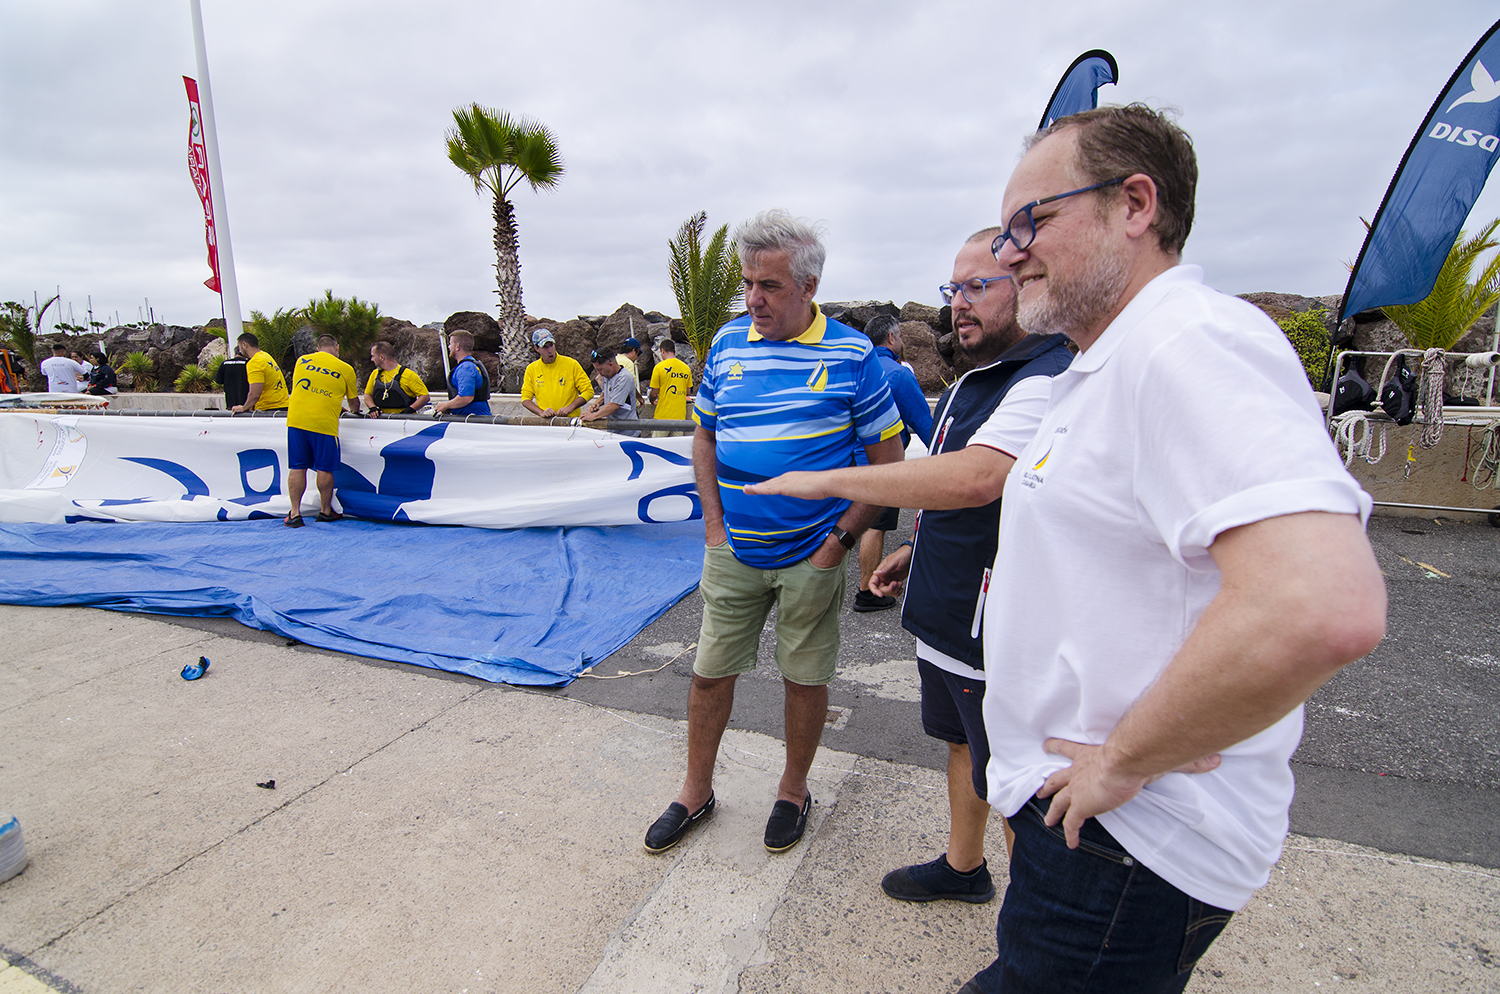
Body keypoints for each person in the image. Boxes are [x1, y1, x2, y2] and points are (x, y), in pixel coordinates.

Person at [762, 104, 1390, 993]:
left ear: (1136, 205)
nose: (1011, 252)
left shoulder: (1188, 342)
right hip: (1089, 826)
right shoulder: (1106, 361)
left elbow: (1319, 603)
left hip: (1127, 842)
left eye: (1034, 222)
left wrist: (1129, 758)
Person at [642, 209, 906, 857]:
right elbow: (704, 435)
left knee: (804, 678)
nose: (754, 299)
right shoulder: (730, 344)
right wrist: (712, 525)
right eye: (748, 284)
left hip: (813, 556)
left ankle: (792, 790)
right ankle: (695, 791)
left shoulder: (854, 356)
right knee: (708, 674)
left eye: (771, 286)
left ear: (810, 287)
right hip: (733, 550)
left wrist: (836, 546)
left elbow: (889, 466)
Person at [851, 314, 933, 612]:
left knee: (845, 523)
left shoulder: (854, 370)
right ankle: (867, 593)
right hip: (880, 466)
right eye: (900, 336)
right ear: (891, 338)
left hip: (844, 464)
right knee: (875, 525)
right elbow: (925, 424)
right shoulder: (898, 375)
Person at [284, 334, 360, 527]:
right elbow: (353, 402)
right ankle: (325, 511)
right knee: (324, 468)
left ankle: (294, 514)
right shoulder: (345, 368)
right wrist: (353, 411)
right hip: (324, 423)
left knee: (297, 466)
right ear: (337, 348)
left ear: (318, 349)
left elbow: (306, 388)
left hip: (297, 420)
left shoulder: (302, 361)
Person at [520, 328, 592, 418]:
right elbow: (525, 399)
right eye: (545, 347)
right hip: (546, 423)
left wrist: (570, 407)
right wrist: (541, 412)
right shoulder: (531, 369)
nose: (550, 350)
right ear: (537, 348)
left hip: (569, 421)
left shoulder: (571, 364)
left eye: (551, 345)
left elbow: (588, 391)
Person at [581, 347, 640, 436]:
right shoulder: (606, 376)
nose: (598, 373)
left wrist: (594, 416)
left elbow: (615, 405)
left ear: (610, 364)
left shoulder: (624, 377)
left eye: (600, 369)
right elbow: (605, 394)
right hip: (613, 431)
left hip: (629, 433)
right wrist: (597, 403)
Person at [432, 330, 491, 417]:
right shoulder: (472, 364)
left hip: (473, 420)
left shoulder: (465, 368)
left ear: (457, 347)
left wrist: (445, 405)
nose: (448, 347)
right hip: (477, 417)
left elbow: (466, 397)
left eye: (450, 343)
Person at [363, 340, 429, 417]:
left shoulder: (408, 375)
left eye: (373, 356)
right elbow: (367, 395)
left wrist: (410, 410)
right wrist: (373, 408)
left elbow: (424, 396)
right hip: (382, 419)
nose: (372, 359)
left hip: (403, 420)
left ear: (381, 357)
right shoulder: (375, 374)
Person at [231, 333, 289, 413]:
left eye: (239, 347)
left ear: (244, 344)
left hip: (269, 408)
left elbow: (255, 394)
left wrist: (244, 407)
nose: (240, 351)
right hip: (283, 405)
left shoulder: (255, 362)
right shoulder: (266, 356)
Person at [648, 338, 693, 432]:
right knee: (676, 446)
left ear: (662, 351)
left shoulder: (659, 367)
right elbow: (688, 392)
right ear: (675, 351)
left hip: (662, 416)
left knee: (656, 444)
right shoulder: (686, 368)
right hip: (680, 417)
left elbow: (654, 393)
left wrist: (652, 401)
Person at [215, 342, 249, 409]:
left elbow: (218, 380)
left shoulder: (225, 364)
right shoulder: (248, 364)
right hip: (246, 403)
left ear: (235, 353)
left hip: (230, 402)